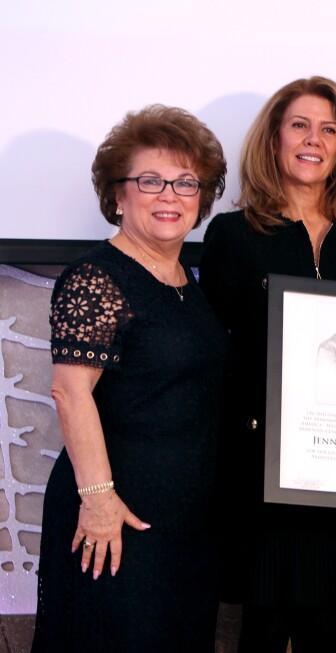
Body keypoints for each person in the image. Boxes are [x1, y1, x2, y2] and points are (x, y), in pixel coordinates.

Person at [199, 76, 336, 653]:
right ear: (275, 139)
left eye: (330, 129)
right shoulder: (232, 234)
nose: (315, 139)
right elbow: (216, 353)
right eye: (300, 125)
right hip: (262, 468)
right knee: (263, 629)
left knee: (320, 629)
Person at [31, 105, 228, 652]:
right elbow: (70, 393)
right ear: (119, 195)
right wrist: (97, 502)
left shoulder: (186, 281)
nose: (170, 195)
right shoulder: (97, 278)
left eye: (186, 183)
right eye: (150, 181)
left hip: (185, 525)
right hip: (116, 519)